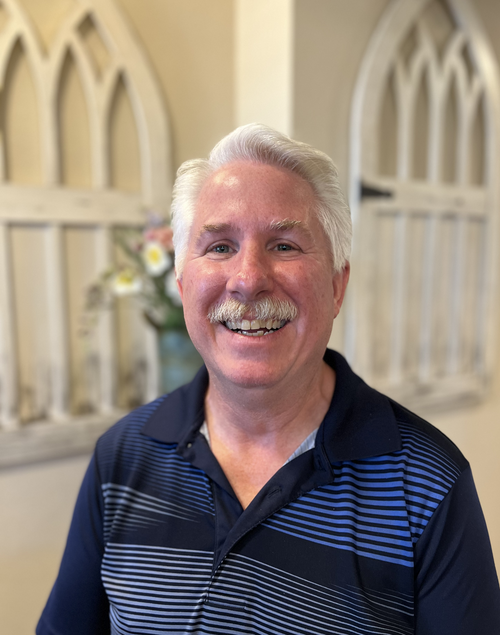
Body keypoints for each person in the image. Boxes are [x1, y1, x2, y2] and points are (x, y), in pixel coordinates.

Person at [37, 124, 500, 634]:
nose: (248, 279)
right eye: (219, 247)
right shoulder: (121, 457)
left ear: (337, 285)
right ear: (183, 285)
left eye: (283, 245)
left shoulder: (426, 482)